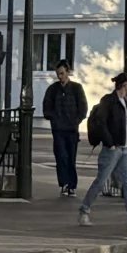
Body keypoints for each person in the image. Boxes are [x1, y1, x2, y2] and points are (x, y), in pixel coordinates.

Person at [78, 72, 127, 232]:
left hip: (125, 150)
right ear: (125, 85)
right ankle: (84, 210)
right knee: (101, 182)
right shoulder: (109, 101)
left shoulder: (125, 103)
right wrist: (110, 142)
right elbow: (101, 122)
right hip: (112, 149)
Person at [41, 61, 89, 197]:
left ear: (68, 72)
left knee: (71, 158)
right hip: (58, 130)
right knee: (61, 156)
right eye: (58, 74)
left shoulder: (76, 88)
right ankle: (64, 183)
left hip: (72, 129)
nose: (60, 77)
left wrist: (76, 120)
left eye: (62, 74)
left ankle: (71, 185)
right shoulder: (53, 89)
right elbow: (46, 107)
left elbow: (83, 107)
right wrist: (54, 119)